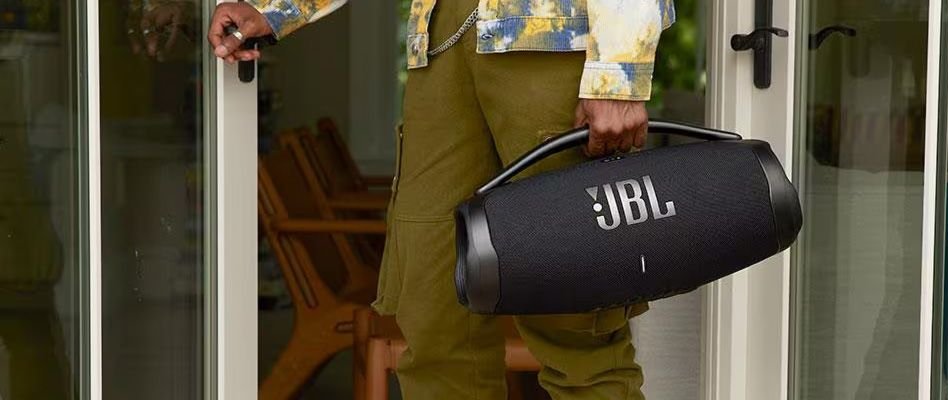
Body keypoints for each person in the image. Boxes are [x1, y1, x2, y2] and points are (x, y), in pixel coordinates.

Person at [209, 0, 674, 398]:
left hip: (549, 34)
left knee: (575, 325)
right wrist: (275, 9)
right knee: (434, 318)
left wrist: (619, 70)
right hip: (441, 39)